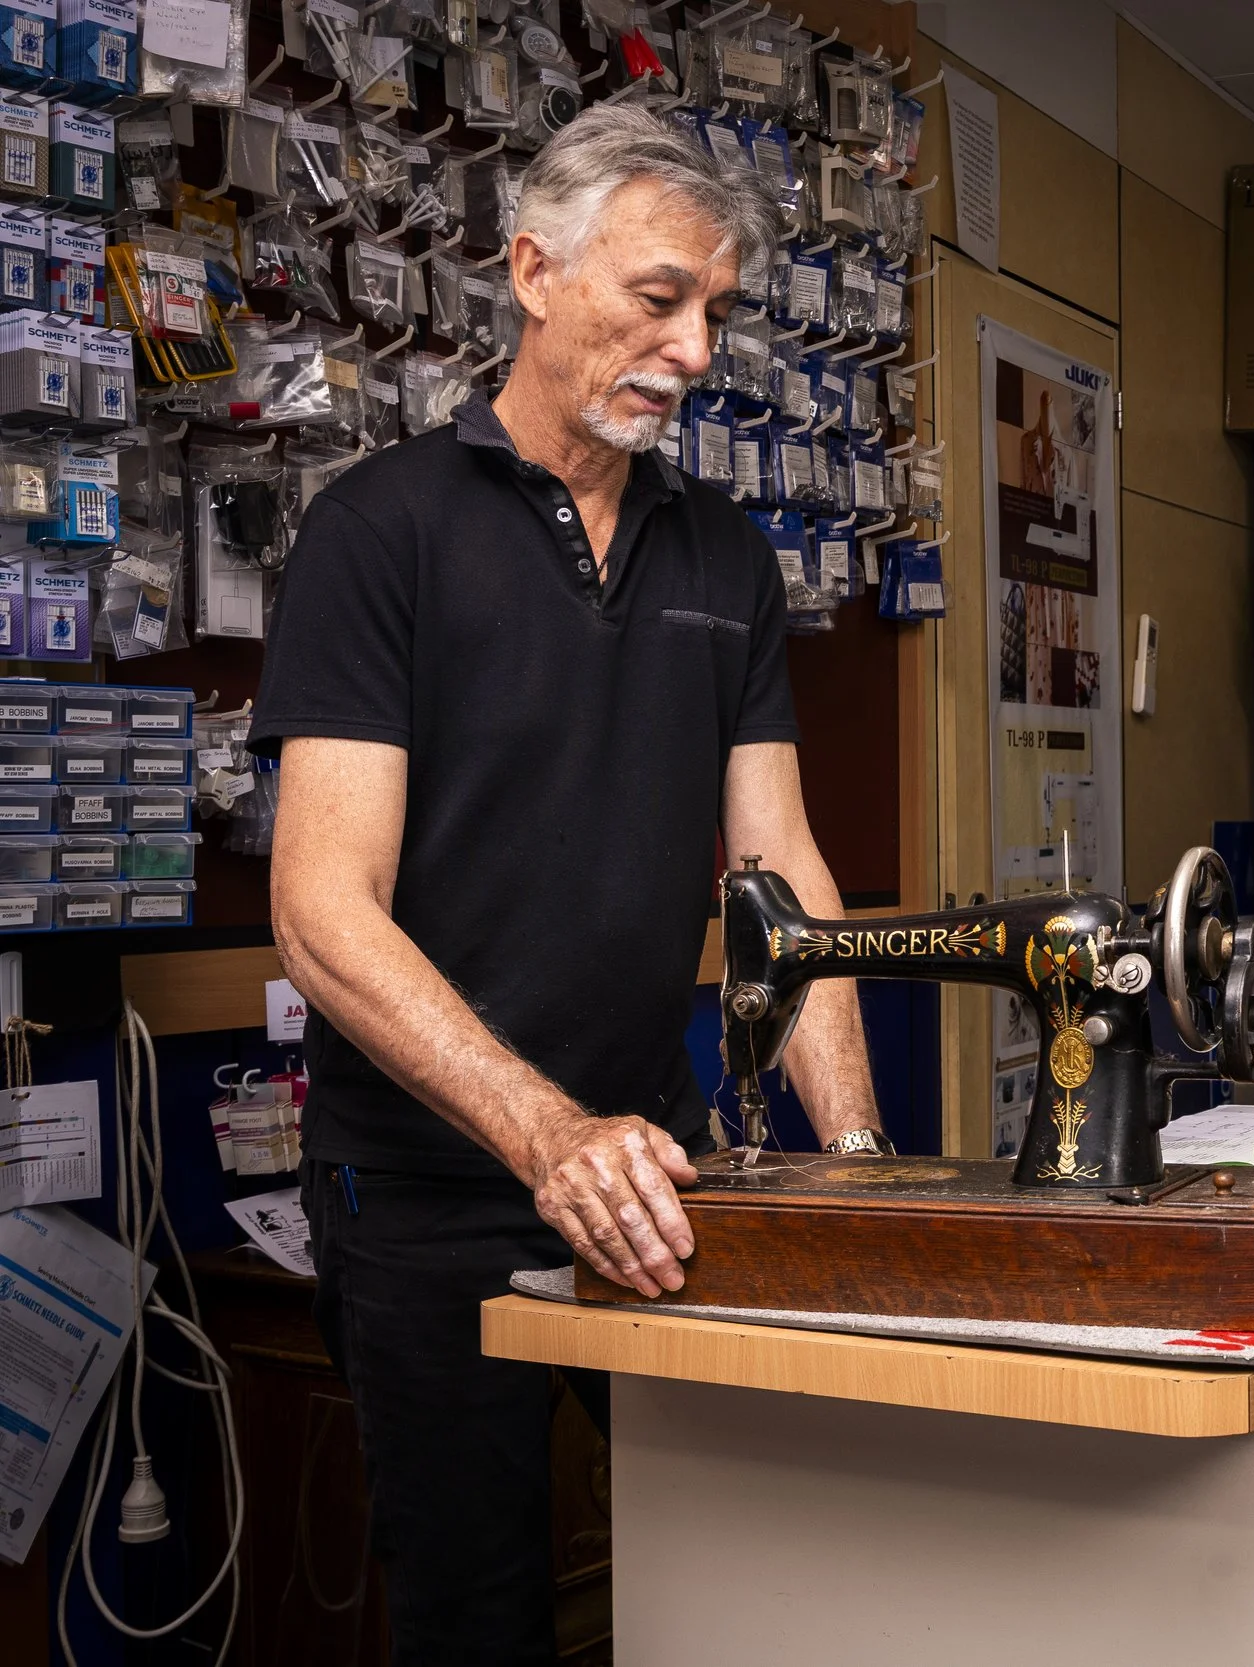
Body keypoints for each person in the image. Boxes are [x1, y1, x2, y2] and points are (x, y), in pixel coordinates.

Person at [252, 105, 888, 1666]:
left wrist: (860, 1155)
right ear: (533, 270)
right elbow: (324, 911)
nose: (691, 349)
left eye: (717, 314)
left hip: (649, 1173)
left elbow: (778, 872)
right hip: (425, 1195)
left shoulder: (726, 556)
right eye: (657, 297)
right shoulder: (377, 532)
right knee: (478, 1620)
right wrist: (545, 1134)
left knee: (753, 1573)